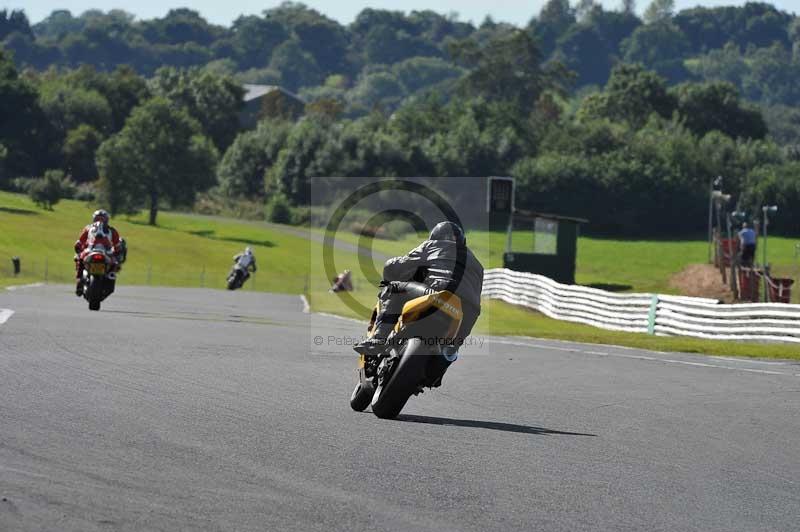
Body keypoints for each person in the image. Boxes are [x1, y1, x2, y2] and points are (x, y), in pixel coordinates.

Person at [354, 221, 484, 355]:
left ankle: (378, 340)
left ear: (434, 236)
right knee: (449, 352)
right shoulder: (478, 265)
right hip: (468, 311)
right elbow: (476, 298)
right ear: (463, 241)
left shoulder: (433, 245)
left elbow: (396, 265)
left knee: (395, 289)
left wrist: (388, 281)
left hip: (439, 293)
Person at [74, 209, 123, 296]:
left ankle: (110, 276)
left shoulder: (112, 231)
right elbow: (80, 241)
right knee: (79, 258)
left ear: (106, 220)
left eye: (102, 219)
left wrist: (117, 253)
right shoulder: (88, 229)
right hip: (90, 251)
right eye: (98, 219)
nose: (100, 222)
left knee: (115, 263)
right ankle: (79, 280)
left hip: (106, 253)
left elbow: (117, 245)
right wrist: (78, 247)